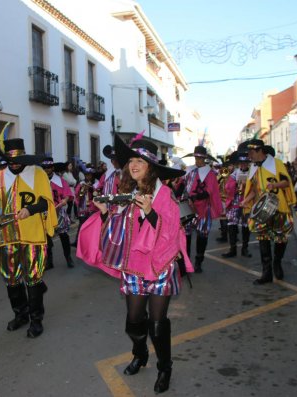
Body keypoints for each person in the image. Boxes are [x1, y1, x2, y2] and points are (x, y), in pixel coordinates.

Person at [77, 134, 190, 394]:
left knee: (158, 324)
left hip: (161, 267)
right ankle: (140, 353)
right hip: (134, 267)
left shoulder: (167, 197)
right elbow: (119, 232)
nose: (134, 165)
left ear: (151, 166)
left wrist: (150, 212)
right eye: (131, 161)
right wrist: (106, 213)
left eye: (140, 160)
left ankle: (165, 368)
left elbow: (171, 234)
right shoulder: (128, 194)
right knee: (134, 319)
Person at [0, 138, 57, 338]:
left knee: (33, 279)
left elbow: (45, 203)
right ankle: (21, 314)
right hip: (7, 235)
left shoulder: (37, 173)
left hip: (32, 234)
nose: (14, 163)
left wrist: (29, 209)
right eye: (9, 160)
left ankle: (36, 320)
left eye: (17, 159)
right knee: (11, 279)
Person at [241, 139, 296, 285]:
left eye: (251, 152)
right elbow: (253, 189)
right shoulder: (254, 168)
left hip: (278, 208)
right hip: (262, 210)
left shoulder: (276, 164)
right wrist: (246, 200)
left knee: (280, 239)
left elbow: (286, 182)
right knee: (263, 239)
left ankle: (277, 262)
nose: (249, 155)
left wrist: (274, 185)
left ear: (259, 151)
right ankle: (267, 273)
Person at [181, 145, 223, 273]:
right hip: (188, 207)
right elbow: (183, 186)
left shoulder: (210, 174)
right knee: (185, 235)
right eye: (196, 157)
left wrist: (196, 197)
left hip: (203, 209)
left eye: (200, 158)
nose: (197, 160)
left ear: (204, 158)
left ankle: (198, 262)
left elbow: (209, 192)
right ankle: (185, 263)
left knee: (202, 236)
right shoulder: (190, 171)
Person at [41, 157, 74, 268]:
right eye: (44, 168)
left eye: (49, 167)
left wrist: (64, 200)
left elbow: (68, 194)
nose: (47, 170)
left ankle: (68, 257)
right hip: (45, 212)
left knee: (64, 235)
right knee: (47, 238)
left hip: (59, 211)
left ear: (52, 168)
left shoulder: (60, 180)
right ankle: (49, 261)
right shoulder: (39, 181)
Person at [222, 150, 252, 258]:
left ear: (248, 163)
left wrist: (247, 185)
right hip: (235, 201)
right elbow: (227, 187)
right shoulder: (234, 173)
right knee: (232, 225)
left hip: (247, 202)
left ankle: (245, 248)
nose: (243, 165)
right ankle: (232, 249)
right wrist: (236, 184)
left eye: (245, 163)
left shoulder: (252, 173)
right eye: (241, 163)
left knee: (246, 225)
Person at [72, 165, 98, 247]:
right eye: (86, 175)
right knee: (82, 224)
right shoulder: (81, 183)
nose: (88, 176)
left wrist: (92, 190)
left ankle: (92, 242)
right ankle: (78, 241)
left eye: (89, 175)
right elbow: (77, 195)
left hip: (94, 207)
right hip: (83, 207)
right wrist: (82, 190)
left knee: (93, 226)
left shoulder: (97, 183)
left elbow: (99, 194)